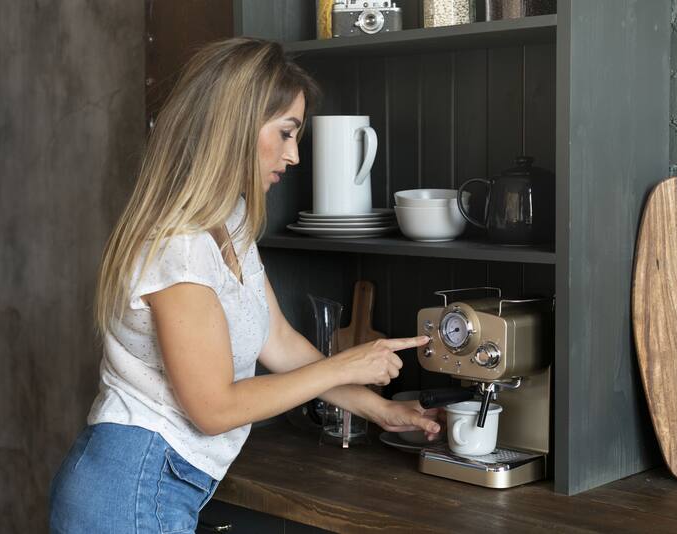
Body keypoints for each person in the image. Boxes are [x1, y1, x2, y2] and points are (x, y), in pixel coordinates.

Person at [49, 37, 441, 533]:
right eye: (286, 133)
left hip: (153, 482)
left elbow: (278, 341)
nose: (294, 155)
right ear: (234, 126)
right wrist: (347, 363)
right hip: (131, 489)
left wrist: (378, 408)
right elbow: (214, 409)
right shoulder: (180, 247)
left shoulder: (227, 221)